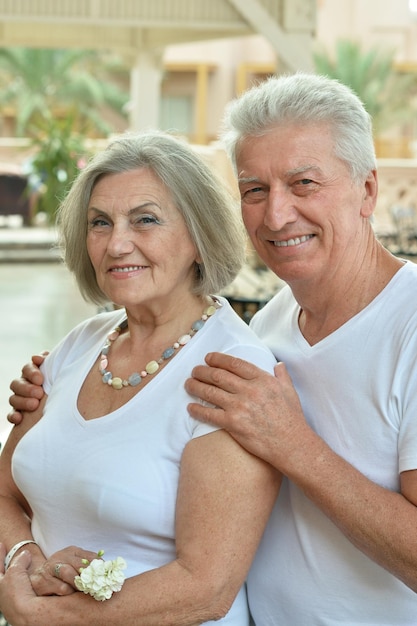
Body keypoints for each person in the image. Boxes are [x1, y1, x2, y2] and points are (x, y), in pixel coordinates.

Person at [8, 73, 417, 625]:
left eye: (303, 184)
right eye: (254, 189)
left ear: (368, 190)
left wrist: (295, 446)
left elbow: (207, 581)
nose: (275, 216)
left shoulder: (403, 327)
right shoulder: (271, 324)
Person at [0, 130, 281, 626]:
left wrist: (50, 617)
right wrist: (23, 559)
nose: (117, 243)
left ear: (199, 236)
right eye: (100, 223)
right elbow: (5, 494)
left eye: (145, 220)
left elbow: (206, 587)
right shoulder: (78, 345)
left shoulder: (230, 372)